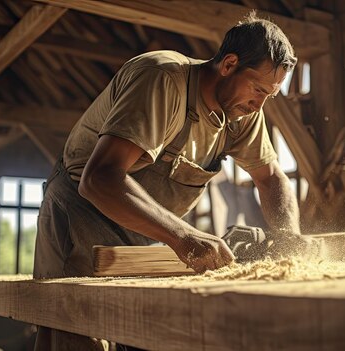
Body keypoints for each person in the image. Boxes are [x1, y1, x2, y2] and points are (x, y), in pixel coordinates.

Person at [33, 11, 303, 350]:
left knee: (137, 332)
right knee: (74, 335)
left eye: (270, 95)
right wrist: (183, 235)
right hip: (81, 217)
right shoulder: (162, 78)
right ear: (229, 64)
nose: (259, 104)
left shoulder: (242, 110)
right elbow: (99, 179)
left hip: (141, 234)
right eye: (258, 89)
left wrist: (289, 236)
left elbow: (272, 178)